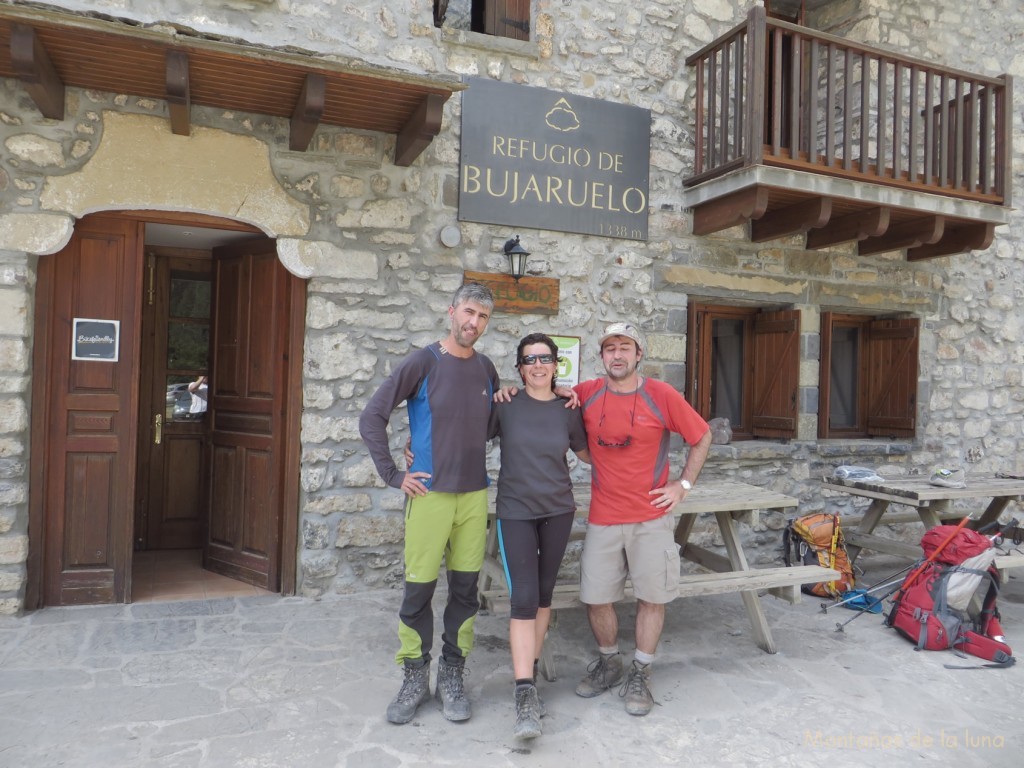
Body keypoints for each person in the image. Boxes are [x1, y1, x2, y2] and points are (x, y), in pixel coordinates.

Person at [358, 283, 499, 726]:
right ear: (451, 310)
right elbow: (372, 417)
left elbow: (487, 427)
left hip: (474, 496)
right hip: (430, 495)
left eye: (483, 318)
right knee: (418, 591)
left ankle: (452, 676)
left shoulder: (487, 369)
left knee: (464, 592)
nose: (473, 323)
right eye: (469, 312)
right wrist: (395, 475)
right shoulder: (423, 361)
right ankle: (414, 676)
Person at [572, 321, 711, 716]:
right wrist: (507, 391)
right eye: (609, 348)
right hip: (603, 515)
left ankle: (642, 672)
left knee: (652, 597)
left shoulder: (661, 395)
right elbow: (546, 397)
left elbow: (701, 436)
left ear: (638, 355)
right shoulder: (586, 394)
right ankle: (610, 662)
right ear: (601, 357)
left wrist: (683, 485)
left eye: (625, 347)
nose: (617, 354)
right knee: (596, 598)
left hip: (651, 517)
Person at [491, 334, 589, 740]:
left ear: (556, 364)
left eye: (545, 358)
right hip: (515, 511)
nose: (537, 365)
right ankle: (524, 693)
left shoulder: (569, 409)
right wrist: (415, 448)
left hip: (558, 511)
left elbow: (590, 453)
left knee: (544, 594)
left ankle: (527, 674)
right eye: (529, 359)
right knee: (524, 598)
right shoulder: (505, 405)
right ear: (519, 367)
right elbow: (463, 435)